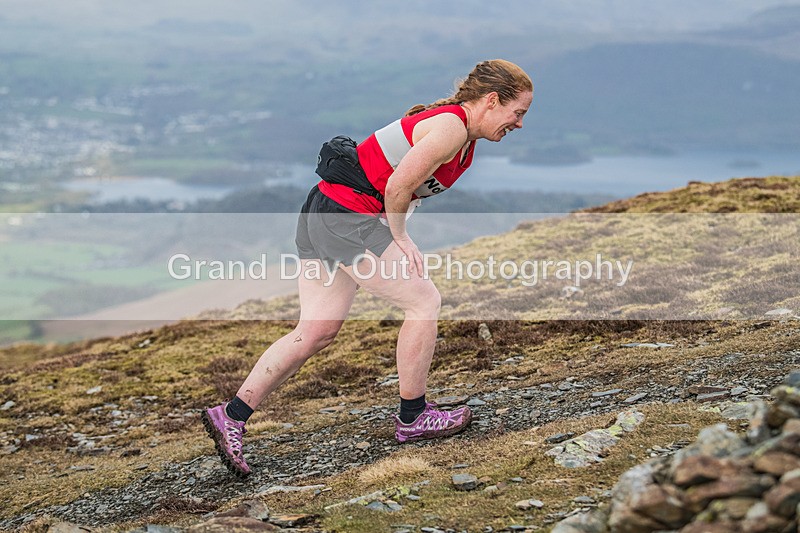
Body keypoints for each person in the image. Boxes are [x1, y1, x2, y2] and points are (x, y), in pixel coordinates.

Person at [202, 59, 533, 477]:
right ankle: (413, 418)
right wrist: (401, 238)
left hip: (325, 211)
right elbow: (397, 187)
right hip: (344, 217)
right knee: (424, 301)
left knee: (316, 330)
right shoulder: (450, 127)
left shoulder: (462, 135)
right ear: (491, 101)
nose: (519, 124)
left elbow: (394, 185)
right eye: (517, 112)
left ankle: (231, 415)